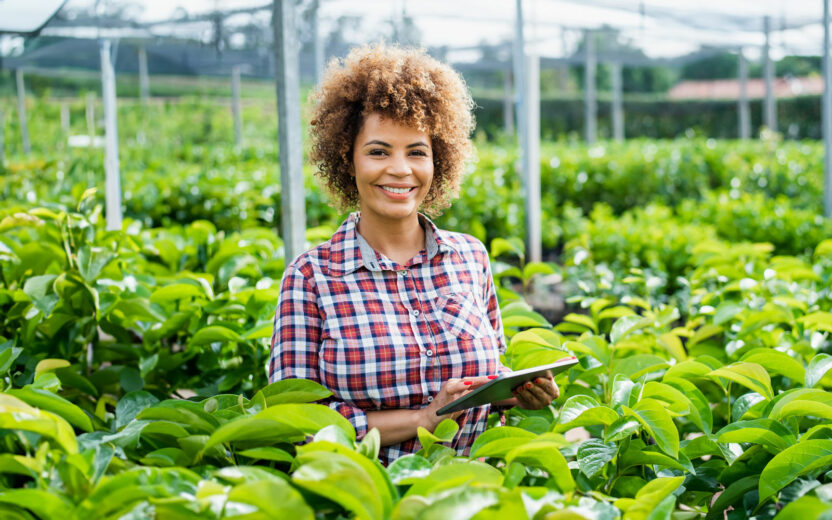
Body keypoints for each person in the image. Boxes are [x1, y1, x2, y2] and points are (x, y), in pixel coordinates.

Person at [269, 44, 558, 465]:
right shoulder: (311, 277)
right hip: (365, 496)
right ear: (347, 160)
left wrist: (518, 395)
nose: (401, 169)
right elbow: (294, 421)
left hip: (470, 493)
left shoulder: (469, 258)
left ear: (438, 160)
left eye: (417, 152)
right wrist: (425, 418)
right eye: (378, 151)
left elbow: (487, 384)